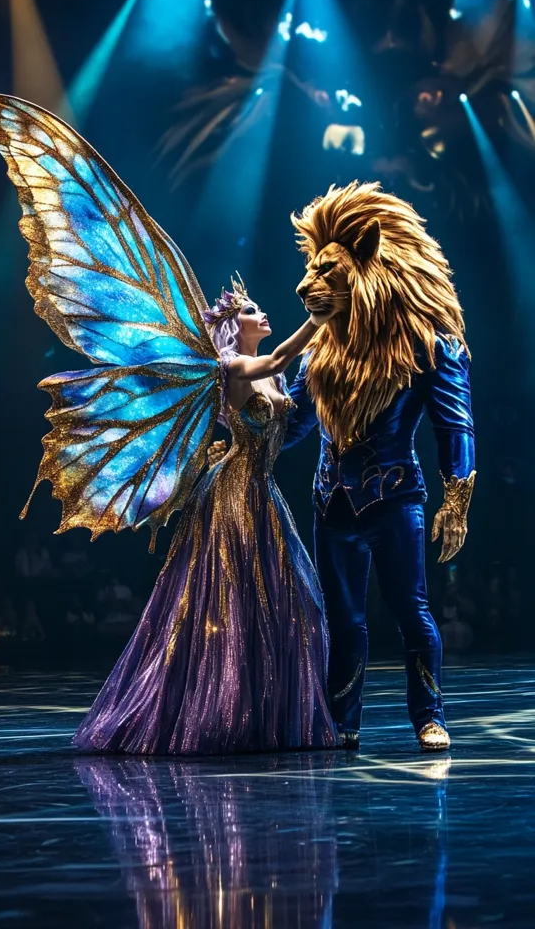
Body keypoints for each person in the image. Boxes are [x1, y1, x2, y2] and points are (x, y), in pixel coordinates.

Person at [0, 91, 336, 754]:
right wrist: (327, 311)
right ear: (238, 324)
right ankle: (218, 715)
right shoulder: (229, 368)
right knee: (226, 607)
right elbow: (285, 357)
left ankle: (269, 715)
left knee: (290, 606)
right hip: (232, 498)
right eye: (255, 309)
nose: (264, 314)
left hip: (262, 498)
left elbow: (296, 390)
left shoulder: (272, 375)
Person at [209, 182, 476, 752]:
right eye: (313, 269)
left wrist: (457, 501)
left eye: (329, 272)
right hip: (330, 497)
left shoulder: (428, 343)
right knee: (342, 620)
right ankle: (340, 720)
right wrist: (243, 443)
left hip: (395, 494)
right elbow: (298, 425)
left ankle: (430, 716)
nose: (308, 283)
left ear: (369, 264)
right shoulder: (320, 350)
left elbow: (455, 425)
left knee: (412, 611)